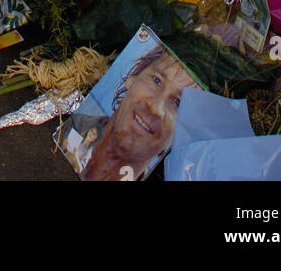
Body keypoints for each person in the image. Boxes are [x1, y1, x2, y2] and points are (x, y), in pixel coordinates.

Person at [66, 44, 196, 181]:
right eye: (157, 80)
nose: (155, 108)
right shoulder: (70, 127)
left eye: (178, 103)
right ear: (132, 78)